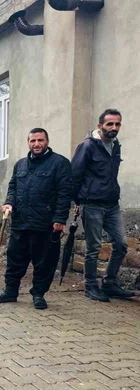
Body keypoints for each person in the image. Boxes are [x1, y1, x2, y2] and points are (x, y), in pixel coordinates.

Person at [0, 128, 72, 310]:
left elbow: (65, 193)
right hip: (20, 222)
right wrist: (9, 203)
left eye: (40, 140)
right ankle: (10, 291)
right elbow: (13, 187)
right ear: (28, 143)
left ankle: (38, 294)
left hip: (46, 224)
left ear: (47, 141)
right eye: (33, 140)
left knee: (44, 262)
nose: (36, 144)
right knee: (14, 259)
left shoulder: (60, 163)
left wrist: (60, 219)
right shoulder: (20, 165)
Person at [71, 109, 135, 301]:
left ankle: (109, 283)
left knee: (121, 244)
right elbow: (74, 175)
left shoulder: (116, 146)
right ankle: (91, 286)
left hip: (112, 204)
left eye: (117, 124)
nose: (114, 127)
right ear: (100, 126)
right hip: (92, 204)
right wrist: (76, 202)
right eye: (110, 124)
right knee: (94, 248)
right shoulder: (87, 146)